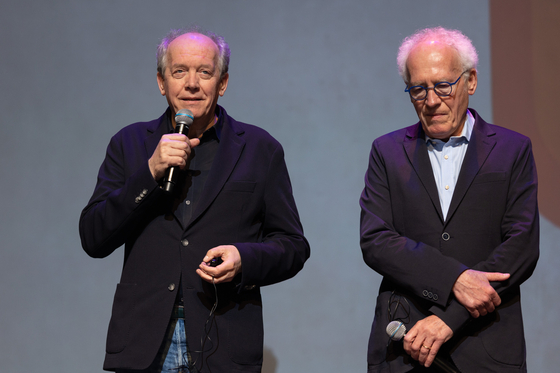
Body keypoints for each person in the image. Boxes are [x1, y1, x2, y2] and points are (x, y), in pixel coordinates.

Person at [79, 27, 310, 373]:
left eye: (205, 72)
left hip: (223, 340)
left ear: (223, 83)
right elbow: (93, 237)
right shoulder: (129, 144)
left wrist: (244, 258)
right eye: (179, 72)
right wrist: (150, 172)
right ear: (161, 82)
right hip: (144, 342)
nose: (191, 84)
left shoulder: (260, 149)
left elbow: (293, 246)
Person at [359, 27, 539, 372]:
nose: (430, 100)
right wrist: (454, 279)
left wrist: (448, 319)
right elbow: (376, 240)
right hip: (405, 345)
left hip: (485, 344)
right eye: (418, 89)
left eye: (443, 85)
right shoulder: (386, 151)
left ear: (470, 81)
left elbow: (521, 246)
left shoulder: (513, 150)